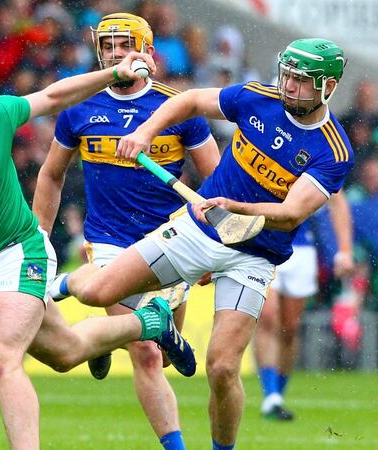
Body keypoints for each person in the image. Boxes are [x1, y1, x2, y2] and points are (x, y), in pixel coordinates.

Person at [52, 38, 354, 449]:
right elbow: (191, 100)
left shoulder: (333, 150)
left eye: (301, 82)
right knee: (95, 291)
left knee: (223, 366)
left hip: (253, 256)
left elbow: (292, 212)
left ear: (328, 87)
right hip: (196, 232)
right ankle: (70, 285)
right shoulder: (255, 98)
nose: (289, 87)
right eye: (287, 76)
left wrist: (235, 207)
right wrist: (145, 131)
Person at [0, 57, 196, 450]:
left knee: (0, 357)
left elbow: (53, 96)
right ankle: (150, 322)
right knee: (67, 353)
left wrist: (112, 74)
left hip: (23, 249)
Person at [33, 13, 219, 450]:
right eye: (107, 46)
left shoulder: (179, 107)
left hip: (171, 243)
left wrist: (210, 244)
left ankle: (99, 340)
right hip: (109, 241)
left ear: (147, 53)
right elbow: (51, 176)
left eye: (124, 46)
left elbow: (214, 178)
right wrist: (37, 239)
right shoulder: (80, 106)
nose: (114, 54)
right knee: (149, 351)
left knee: (163, 351)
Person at [254, 191, 354, 420]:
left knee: (290, 328)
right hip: (264, 243)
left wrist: (345, 250)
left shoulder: (318, 158)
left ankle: (278, 392)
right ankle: (270, 397)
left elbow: (337, 201)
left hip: (301, 248)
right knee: (268, 316)